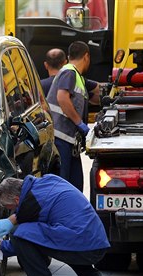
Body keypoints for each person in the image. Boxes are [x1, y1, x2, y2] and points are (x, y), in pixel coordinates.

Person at [0, 174, 110, 276]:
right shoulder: (46, 182)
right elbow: (33, 212)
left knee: (20, 233)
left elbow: (20, 244)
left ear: (17, 199)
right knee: (60, 241)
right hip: (96, 242)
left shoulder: (32, 203)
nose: (10, 210)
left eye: (9, 207)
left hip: (83, 243)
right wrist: (12, 220)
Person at [46, 41, 100, 192]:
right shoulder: (69, 72)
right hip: (60, 138)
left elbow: (94, 93)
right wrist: (80, 124)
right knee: (64, 187)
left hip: (69, 141)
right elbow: (62, 97)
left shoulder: (78, 77)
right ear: (86, 56)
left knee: (75, 186)